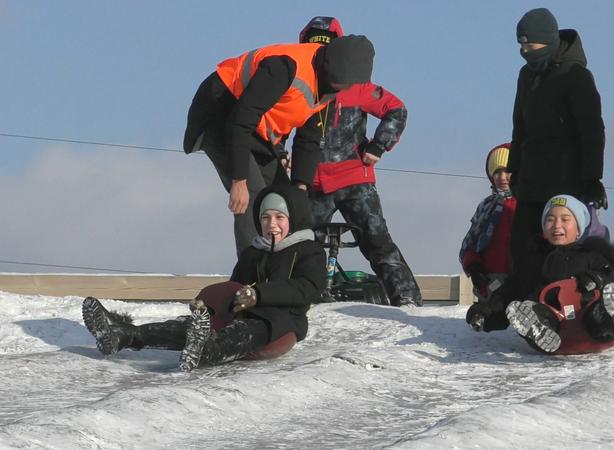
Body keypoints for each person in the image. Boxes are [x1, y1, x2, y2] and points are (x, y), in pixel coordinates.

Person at [82, 185, 327, 372]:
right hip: (240, 313)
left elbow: (308, 288)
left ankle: (205, 351)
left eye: (279, 218)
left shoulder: (308, 251)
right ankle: (123, 335)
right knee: (192, 326)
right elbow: (234, 286)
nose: (271, 224)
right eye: (265, 218)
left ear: (293, 219)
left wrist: (259, 295)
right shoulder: (253, 252)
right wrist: (210, 307)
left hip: (280, 324)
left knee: (245, 329)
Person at [183, 34, 375, 256]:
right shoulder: (285, 67)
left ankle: (281, 271)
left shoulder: (330, 89)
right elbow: (240, 120)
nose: (340, 86)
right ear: (328, 64)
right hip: (221, 114)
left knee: (284, 198)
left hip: (254, 129)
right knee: (252, 194)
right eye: (338, 81)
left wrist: (300, 190)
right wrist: (238, 180)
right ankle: (250, 272)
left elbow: (309, 140)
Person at [292, 17, 422, 307]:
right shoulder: (299, 86)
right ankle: (302, 299)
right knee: (298, 243)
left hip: (354, 179)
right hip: (311, 182)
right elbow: (276, 121)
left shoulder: (357, 86)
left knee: (377, 240)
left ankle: (407, 300)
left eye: (324, 46)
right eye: (312, 45)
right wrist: (280, 153)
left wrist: (378, 146)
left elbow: (396, 109)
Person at [492, 8, 607, 310]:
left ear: (548, 41)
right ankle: (525, 308)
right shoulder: (526, 75)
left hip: (566, 176)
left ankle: (572, 308)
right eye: (521, 47)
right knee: (523, 244)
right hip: (531, 175)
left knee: (562, 246)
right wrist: (514, 169)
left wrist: (592, 178)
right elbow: (520, 126)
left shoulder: (576, 75)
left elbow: (592, 130)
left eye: (531, 46)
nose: (525, 52)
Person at [466, 195, 614, 354]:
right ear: (543, 228)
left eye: (565, 219)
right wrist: (484, 312)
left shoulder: (592, 257)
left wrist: (597, 279)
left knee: (599, 310)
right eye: (550, 219)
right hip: (555, 323)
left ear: (579, 229)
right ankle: (539, 329)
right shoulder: (533, 261)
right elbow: (509, 293)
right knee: (530, 310)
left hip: (588, 321)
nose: (556, 225)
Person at [459, 144, 516, 301]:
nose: (502, 177)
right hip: (492, 279)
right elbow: (470, 242)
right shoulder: (486, 206)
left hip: (523, 279)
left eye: (507, 171)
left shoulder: (528, 205)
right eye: (497, 172)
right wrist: (474, 267)